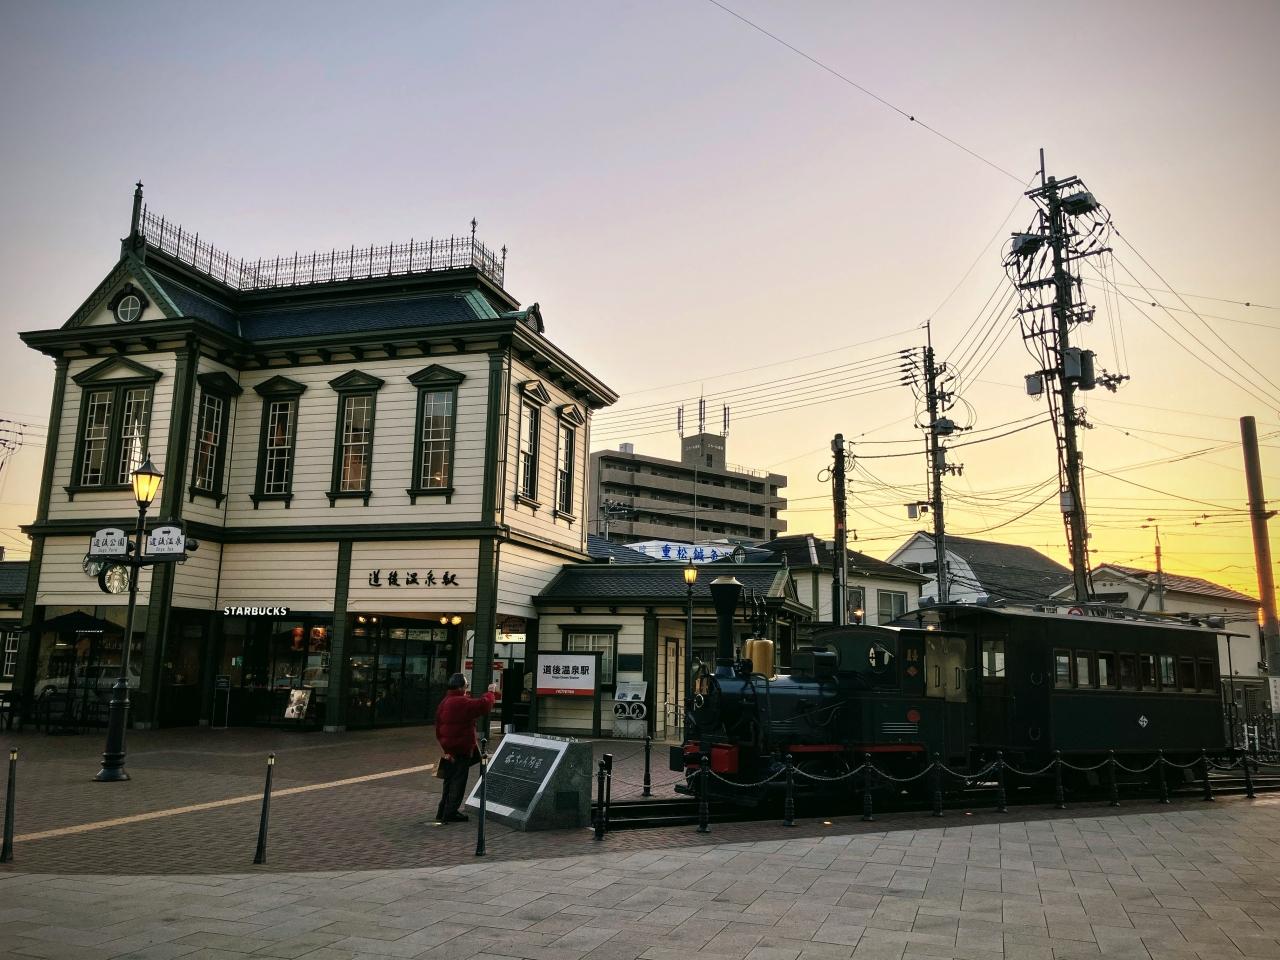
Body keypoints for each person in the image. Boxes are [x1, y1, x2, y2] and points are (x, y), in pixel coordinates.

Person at [433, 672, 496, 824]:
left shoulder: (444, 702)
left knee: (449, 778)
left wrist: (446, 747)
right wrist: (491, 693)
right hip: (462, 746)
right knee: (458, 779)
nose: (467, 689)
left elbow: (438, 727)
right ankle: (450, 812)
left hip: (450, 747)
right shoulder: (462, 702)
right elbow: (484, 705)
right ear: (461, 687)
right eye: (466, 686)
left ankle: (442, 810)